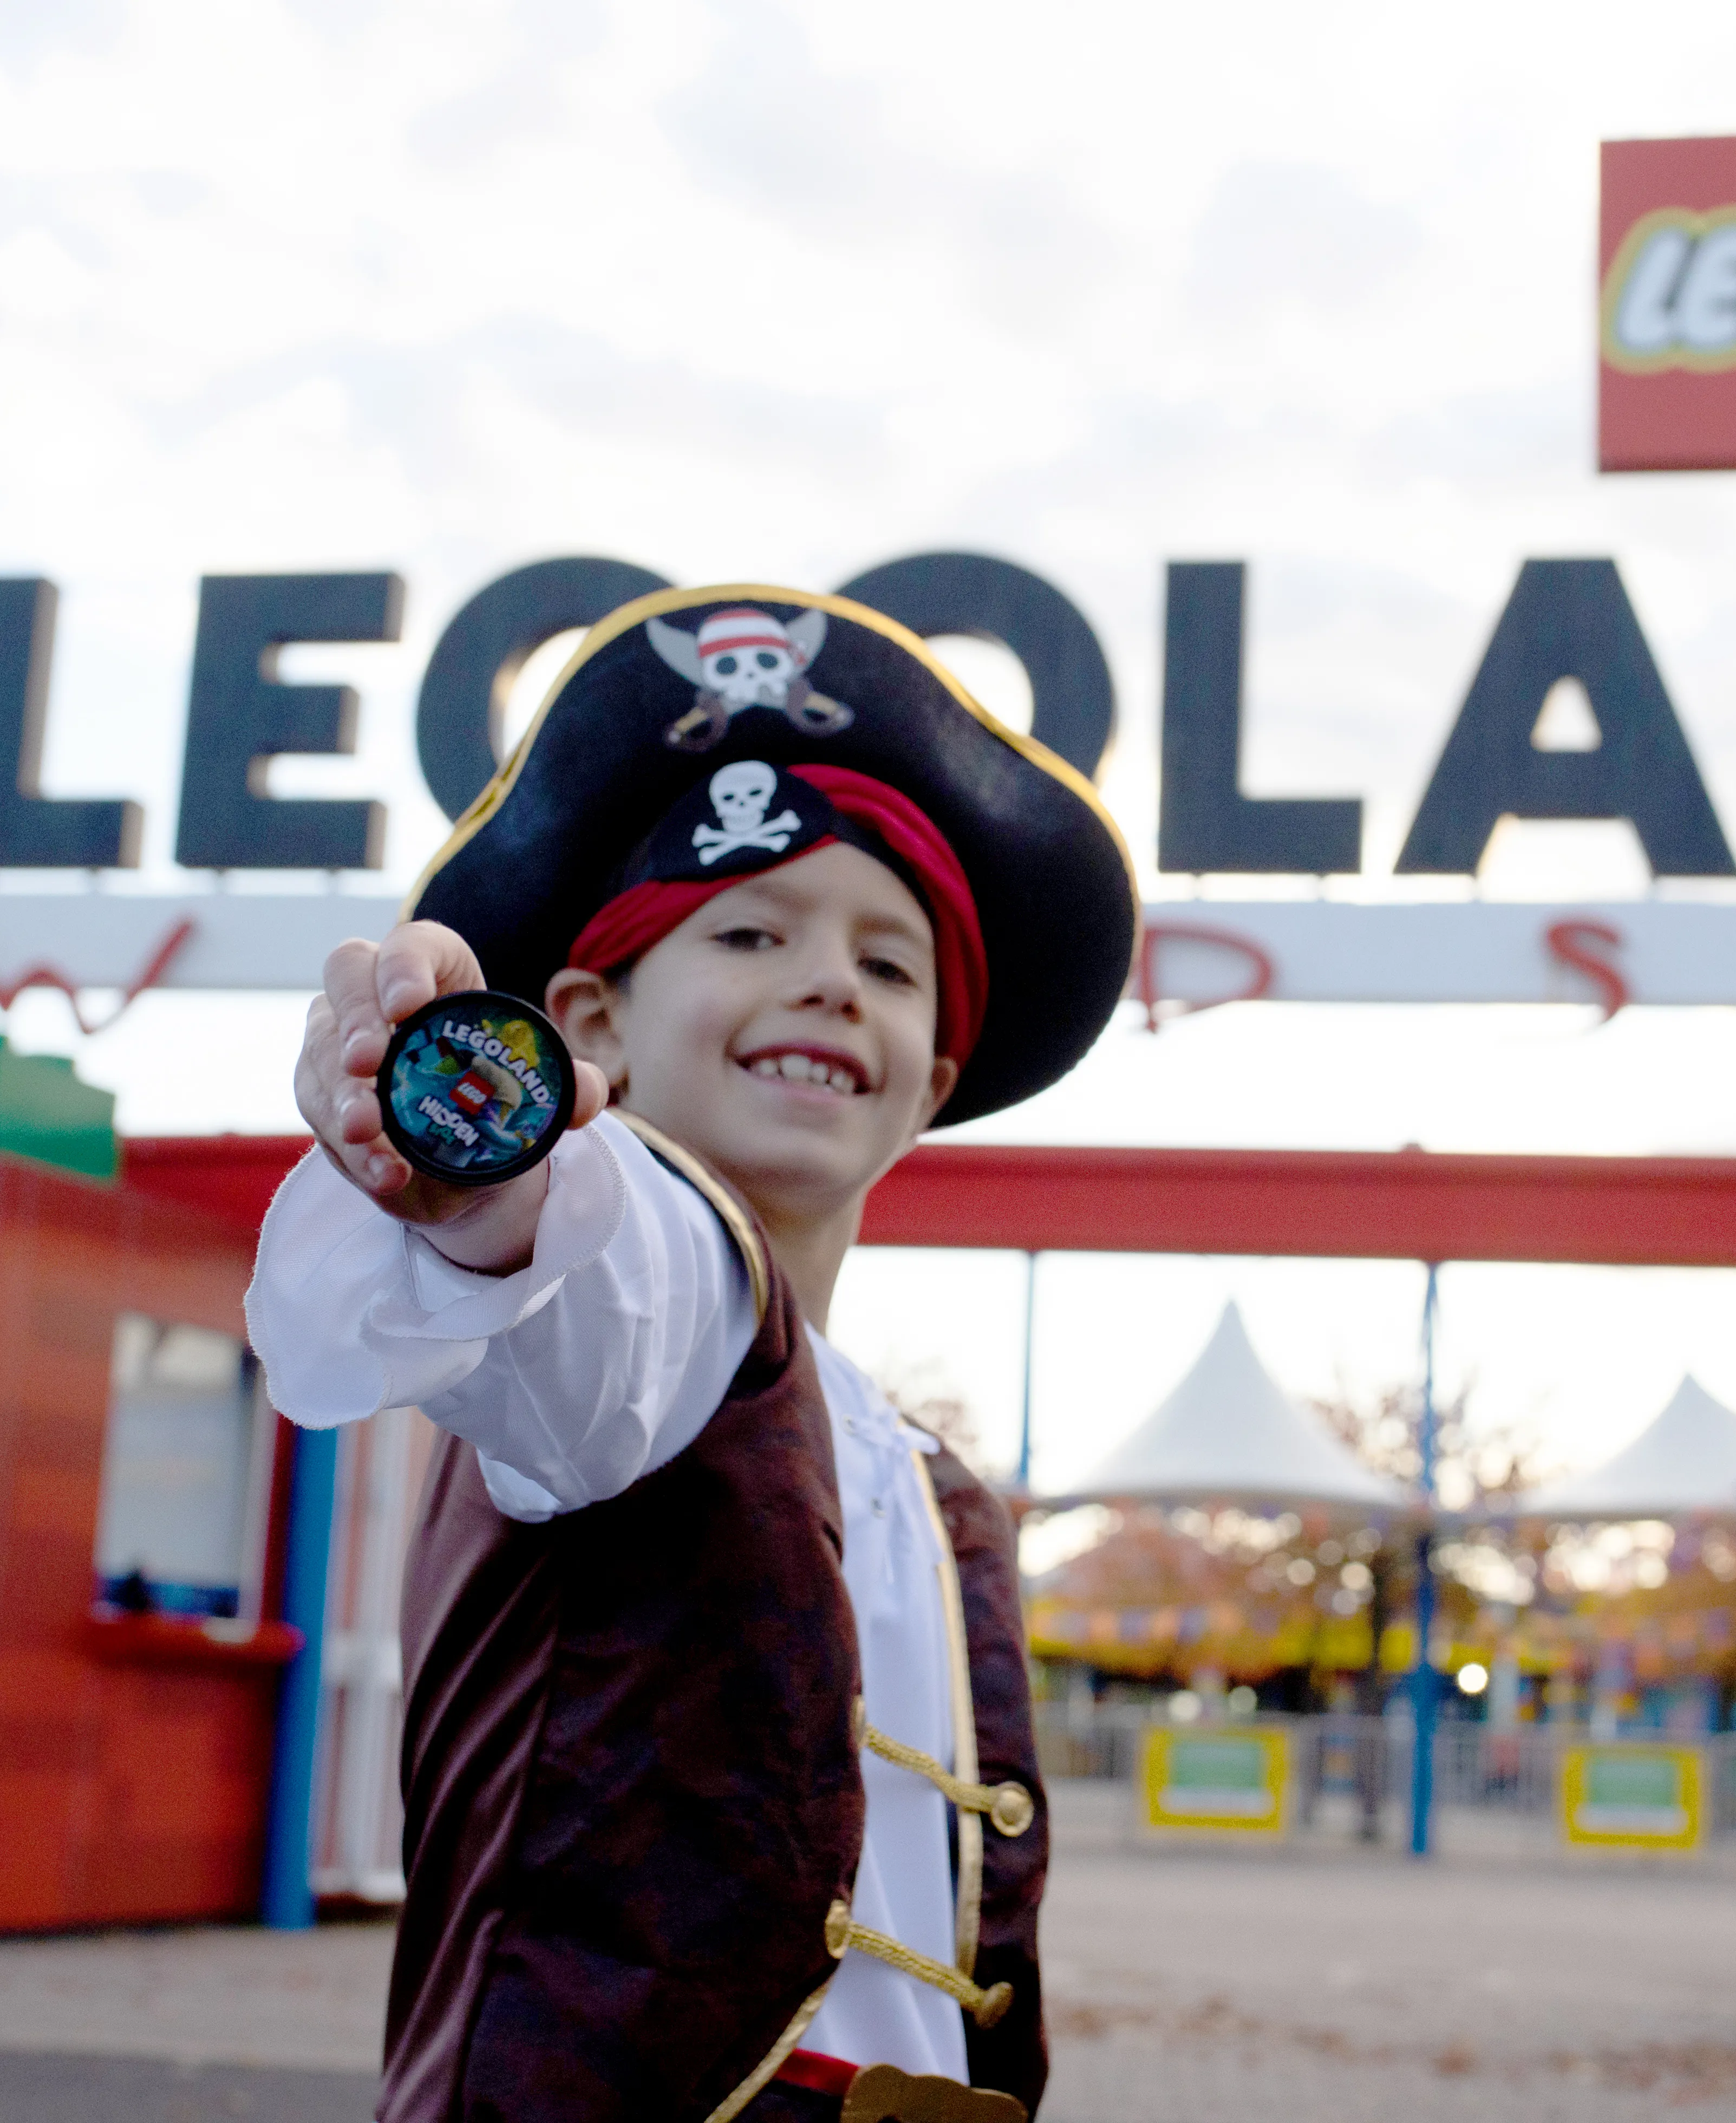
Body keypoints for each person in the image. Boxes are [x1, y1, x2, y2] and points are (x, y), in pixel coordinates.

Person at [246, 587, 1137, 2123]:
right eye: (746, 929)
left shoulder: (923, 1476)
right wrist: (481, 1182)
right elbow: (595, 1294)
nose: (831, 981)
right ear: (586, 1022)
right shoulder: (638, 1296)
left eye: (892, 961)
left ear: (930, 1081)